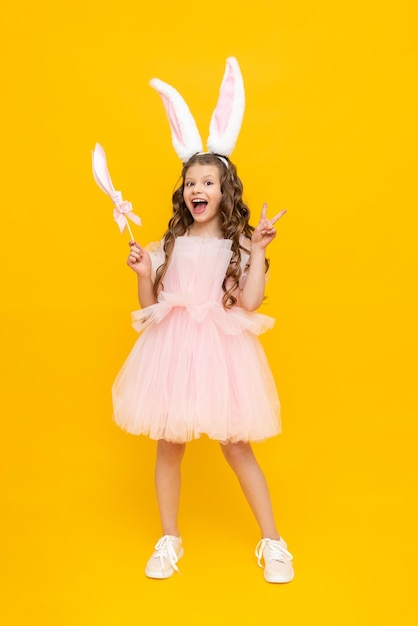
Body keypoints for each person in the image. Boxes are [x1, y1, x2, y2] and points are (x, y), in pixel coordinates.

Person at [111, 59, 294, 584]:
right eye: (191, 181)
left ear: (224, 190)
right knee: (170, 444)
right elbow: (149, 309)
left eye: (208, 181)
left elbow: (251, 303)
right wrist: (144, 272)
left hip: (219, 352)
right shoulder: (168, 244)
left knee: (237, 445)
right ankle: (169, 539)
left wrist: (257, 249)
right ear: (184, 192)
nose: (198, 188)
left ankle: (274, 542)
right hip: (171, 351)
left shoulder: (237, 244)